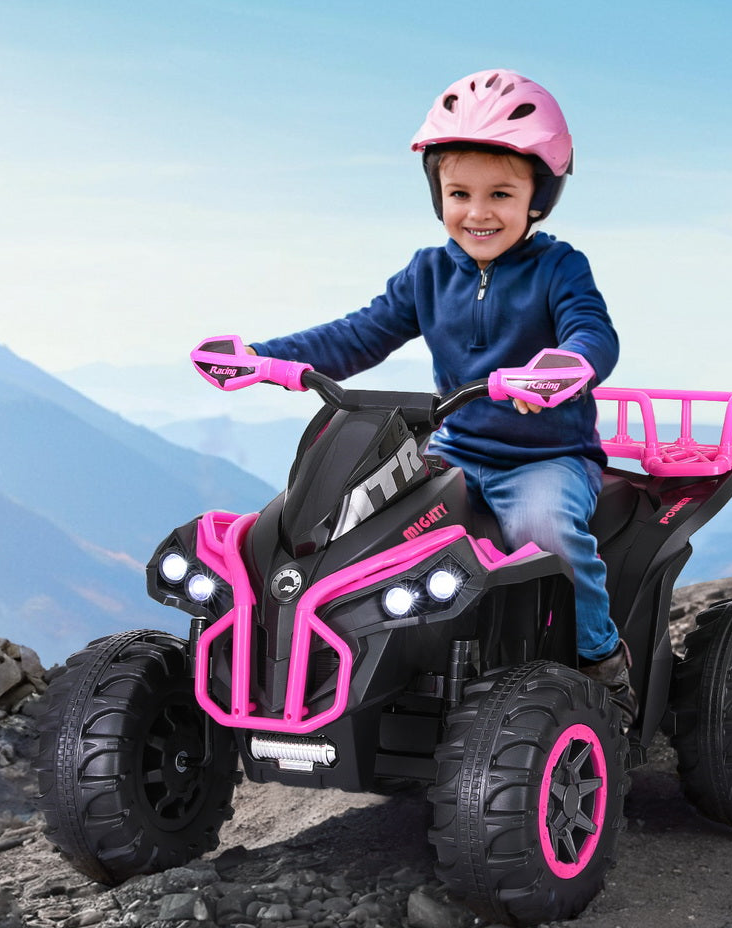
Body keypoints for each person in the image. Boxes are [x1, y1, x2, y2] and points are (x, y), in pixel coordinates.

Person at [245, 69, 637, 727]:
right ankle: (345, 669)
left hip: (543, 458)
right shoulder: (427, 274)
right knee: (347, 521)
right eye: (460, 192)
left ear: (539, 196)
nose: (478, 212)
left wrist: (567, 366)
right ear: (438, 195)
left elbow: (592, 330)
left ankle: (602, 659)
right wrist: (265, 357)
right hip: (448, 450)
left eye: (500, 193)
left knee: (550, 529)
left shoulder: (560, 267)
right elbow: (357, 335)